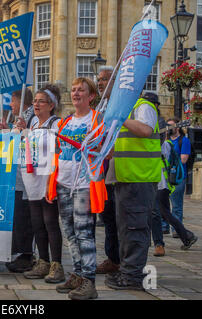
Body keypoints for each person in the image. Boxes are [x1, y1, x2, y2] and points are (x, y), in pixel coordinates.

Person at [49, 77, 107, 300]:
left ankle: (89, 282)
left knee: (84, 233)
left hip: (85, 183)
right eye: (73, 90)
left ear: (91, 96)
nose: (75, 94)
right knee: (69, 232)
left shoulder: (97, 119)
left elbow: (107, 151)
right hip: (64, 182)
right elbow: (57, 152)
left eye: (80, 90)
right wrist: (52, 182)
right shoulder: (65, 122)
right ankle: (78, 273)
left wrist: (99, 149)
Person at [104, 92, 161, 291]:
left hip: (139, 178)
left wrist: (121, 119)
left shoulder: (142, 106)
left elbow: (145, 130)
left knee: (135, 228)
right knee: (127, 229)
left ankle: (133, 276)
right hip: (126, 177)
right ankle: (129, 271)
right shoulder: (127, 109)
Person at [20, 84, 63, 283]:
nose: (36, 104)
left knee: (50, 223)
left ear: (51, 105)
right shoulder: (33, 124)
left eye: (41, 101)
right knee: (37, 223)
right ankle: (43, 261)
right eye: (35, 101)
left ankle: (57, 265)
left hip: (48, 179)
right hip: (33, 180)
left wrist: (52, 180)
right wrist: (22, 131)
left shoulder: (57, 124)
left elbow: (59, 152)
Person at [0, 88, 35, 273]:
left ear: (20, 101)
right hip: (17, 177)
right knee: (19, 216)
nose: (10, 105)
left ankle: (27, 255)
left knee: (25, 217)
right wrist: (7, 131)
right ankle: (21, 252)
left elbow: (32, 139)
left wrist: (22, 130)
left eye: (12, 101)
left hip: (26, 178)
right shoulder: (18, 119)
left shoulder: (30, 117)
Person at [151, 130, 198, 256]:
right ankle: (186, 236)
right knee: (164, 213)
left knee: (158, 214)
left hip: (159, 183)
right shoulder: (166, 144)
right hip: (162, 184)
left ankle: (160, 243)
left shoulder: (162, 145)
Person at [94, 67, 121, 275]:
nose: (100, 83)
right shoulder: (102, 105)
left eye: (105, 79)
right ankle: (112, 258)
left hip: (119, 170)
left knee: (116, 218)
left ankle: (120, 260)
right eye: (99, 80)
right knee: (107, 217)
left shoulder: (121, 104)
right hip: (102, 170)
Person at [163, 118, 191, 237]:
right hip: (165, 176)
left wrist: (171, 161)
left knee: (176, 205)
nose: (169, 129)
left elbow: (184, 159)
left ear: (177, 127)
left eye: (170, 126)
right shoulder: (165, 141)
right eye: (167, 126)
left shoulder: (183, 141)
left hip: (177, 177)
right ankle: (164, 227)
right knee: (163, 204)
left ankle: (176, 230)